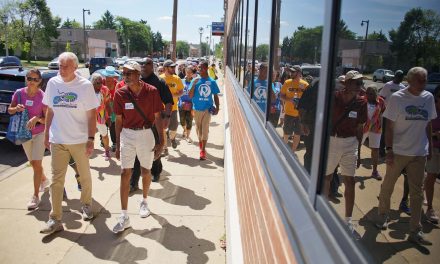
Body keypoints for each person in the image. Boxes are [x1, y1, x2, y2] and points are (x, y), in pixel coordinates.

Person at [40, 52, 99, 234]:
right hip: (58, 139)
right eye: (60, 66)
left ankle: (87, 205)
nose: (62, 69)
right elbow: (50, 110)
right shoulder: (53, 83)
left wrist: (90, 139)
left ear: (75, 67)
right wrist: (46, 134)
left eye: (66, 66)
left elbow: (91, 115)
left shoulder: (85, 86)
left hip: (79, 140)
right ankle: (55, 218)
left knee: (84, 175)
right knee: (56, 180)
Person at [376, 67, 436, 245]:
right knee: (388, 185)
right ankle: (382, 215)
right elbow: (390, 126)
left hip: (419, 153)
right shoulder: (397, 98)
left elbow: (429, 123)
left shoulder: (428, 98)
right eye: (421, 80)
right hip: (398, 152)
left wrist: (430, 147)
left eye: (425, 80)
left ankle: (415, 230)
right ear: (410, 81)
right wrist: (388, 150)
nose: (424, 84)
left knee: (417, 193)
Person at [113, 61, 164, 233]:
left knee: (145, 170)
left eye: (129, 73)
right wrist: (117, 145)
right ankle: (124, 215)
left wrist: (161, 141)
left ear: (138, 74)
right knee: (124, 172)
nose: (125, 76)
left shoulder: (152, 91)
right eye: (124, 73)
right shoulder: (120, 94)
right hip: (127, 134)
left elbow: (158, 117)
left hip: (145, 134)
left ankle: (144, 201)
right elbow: (118, 121)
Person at [323, 70, 367, 237]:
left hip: (351, 143)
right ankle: (324, 216)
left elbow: (360, 128)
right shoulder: (334, 98)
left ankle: (348, 221)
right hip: (333, 140)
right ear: (346, 83)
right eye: (356, 82)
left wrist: (360, 152)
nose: (359, 86)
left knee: (350, 180)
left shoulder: (362, 103)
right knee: (327, 177)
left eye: (360, 82)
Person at [8, 68, 50, 210]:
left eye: (35, 79)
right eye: (29, 78)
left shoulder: (42, 96)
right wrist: (16, 108)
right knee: (33, 164)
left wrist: (37, 118)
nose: (32, 82)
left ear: (40, 82)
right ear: (26, 79)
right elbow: (10, 109)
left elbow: (47, 119)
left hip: (39, 134)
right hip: (24, 134)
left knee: (37, 163)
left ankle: (35, 196)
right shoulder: (19, 93)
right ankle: (44, 180)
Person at [129, 57, 174, 190]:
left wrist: (166, 117)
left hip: (155, 122)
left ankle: (156, 171)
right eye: (142, 64)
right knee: (136, 152)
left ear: (152, 66)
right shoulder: (136, 81)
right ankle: (133, 183)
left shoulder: (159, 82)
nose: (144, 66)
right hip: (137, 122)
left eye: (147, 64)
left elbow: (168, 101)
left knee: (154, 148)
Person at [189, 60, 220, 160]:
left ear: (206, 68)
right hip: (196, 109)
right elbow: (190, 95)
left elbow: (215, 96)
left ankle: (203, 150)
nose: (200, 69)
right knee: (198, 130)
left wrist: (218, 107)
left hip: (207, 109)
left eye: (202, 68)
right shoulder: (195, 81)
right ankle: (201, 143)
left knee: (205, 129)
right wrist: (194, 84)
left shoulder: (212, 81)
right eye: (199, 68)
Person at [358, 84, 386, 180]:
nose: (369, 95)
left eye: (372, 94)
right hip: (363, 127)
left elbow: (382, 112)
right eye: (368, 93)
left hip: (376, 128)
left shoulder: (381, 101)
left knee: (375, 149)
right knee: (356, 147)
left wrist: (380, 125)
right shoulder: (361, 100)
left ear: (376, 94)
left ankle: (374, 171)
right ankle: (352, 168)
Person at [280, 65, 309, 151]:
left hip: (300, 115)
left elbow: (309, 99)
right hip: (289, 113)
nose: (291, 73)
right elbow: (281, 96)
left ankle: (293, 151)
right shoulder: (287, 82)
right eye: (290, 71)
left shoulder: (305, 84)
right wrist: (290, 99)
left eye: (293, 72)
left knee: (297, 134)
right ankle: (284, 150)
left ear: (299, 73)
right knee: (286, 133)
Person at [160, 59, 184, 153]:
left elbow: (181, 92)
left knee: (173, 128)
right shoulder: (160, 78)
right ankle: (164, 148)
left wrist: (174, 95)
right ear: (166, 68)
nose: (174, 68)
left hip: (173, 108)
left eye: (174, 67)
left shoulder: (176, 78)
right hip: (161, 108)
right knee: (162, 129)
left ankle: (173, 138)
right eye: (172, 67)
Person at [424, 84, 440, 224]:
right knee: (432, 176)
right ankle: (429, 208)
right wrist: (435, 135)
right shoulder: (431, 111)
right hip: (434, 148)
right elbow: (423, 129)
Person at [298, 79, 319, 173]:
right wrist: (303, 123)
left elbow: (301, 107)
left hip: (312, 126)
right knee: (311, 153)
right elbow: (302, 107)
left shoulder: (313, 85)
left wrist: (302, 123)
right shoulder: (313, 86)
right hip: (311, 126)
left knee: (310, 153)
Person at [90, 73, 112, 161]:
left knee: (104, 134)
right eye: (97, 83)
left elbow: (107, 104)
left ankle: (107, 151)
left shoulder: (105, 90)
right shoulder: (88, 90)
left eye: (101, 82)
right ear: (93, 83)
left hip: (101, 114)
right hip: (90, 115)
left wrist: (109, 117)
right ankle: (89, 151)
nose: (100, 84)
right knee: (89, 135)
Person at [100, 66, 120, 152]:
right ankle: (102, 139)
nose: (108, 79)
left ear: (113, 77)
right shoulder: (101, 83)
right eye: (107, 77)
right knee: (102, 123)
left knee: (112, 123)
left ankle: (114, 142)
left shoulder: (117, 84)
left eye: (110, 78)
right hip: (102, 105)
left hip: (113, 105)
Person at [179, 65, 196, 143]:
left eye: (190, 72)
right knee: (182, 121)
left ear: (192, 73)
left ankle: (188, 136)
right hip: (181, 104)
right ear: (185, 72)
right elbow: (178, 92)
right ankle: (185, 130)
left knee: (189, 121)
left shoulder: (195, 82)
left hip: (191, 105)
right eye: (187, 72)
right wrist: (179, 100)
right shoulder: (181, 81)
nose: (188, 74)